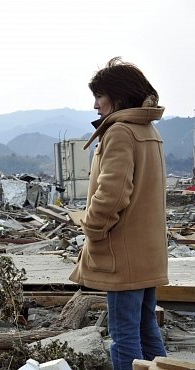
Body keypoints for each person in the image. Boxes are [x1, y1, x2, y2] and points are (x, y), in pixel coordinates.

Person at [69, 57, 168, 370]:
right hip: (146, 251)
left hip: (122, 255)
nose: (96, 105)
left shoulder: (121, 132)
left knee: (123, 333)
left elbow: (112, 195)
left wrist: (92, 228)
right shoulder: (147, 129)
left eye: (99, 96)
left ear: (118, 96)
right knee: (145, 326)